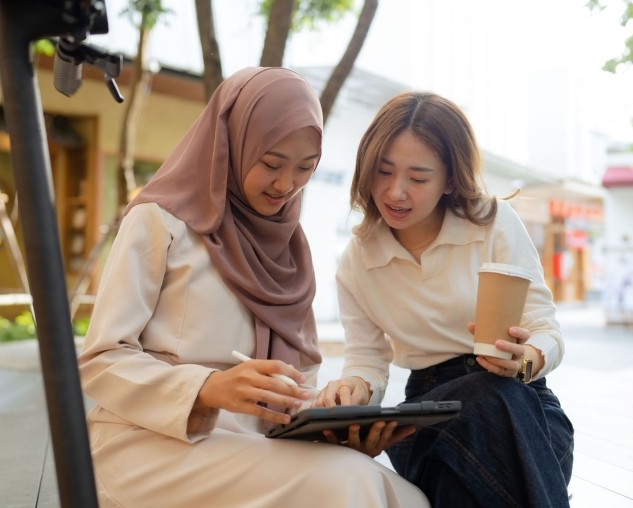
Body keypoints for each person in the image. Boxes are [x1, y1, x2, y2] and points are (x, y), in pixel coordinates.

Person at [78, 67, 429, 508]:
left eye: (305, 169)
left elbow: (295, 385)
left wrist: (330, 425)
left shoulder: (288, 248)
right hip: (148, 445)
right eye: (271, 163)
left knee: (403, 494)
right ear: (232, 143)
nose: (286, 185)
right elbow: (101, 359)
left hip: (254, 449)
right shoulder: (159, 221)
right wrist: (207, 388)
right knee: (349, 486)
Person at [317, 91, 574, 507]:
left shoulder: (493, 225)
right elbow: (366, 359)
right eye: (383, 172)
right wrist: (352, 388)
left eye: (418, 178)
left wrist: (525, 359)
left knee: (493, 398)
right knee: (480, 413)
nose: (396, 192)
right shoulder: (358, 261)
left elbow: (547, 330)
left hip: (527, 413)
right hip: (427, 414)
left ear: (450, 179)